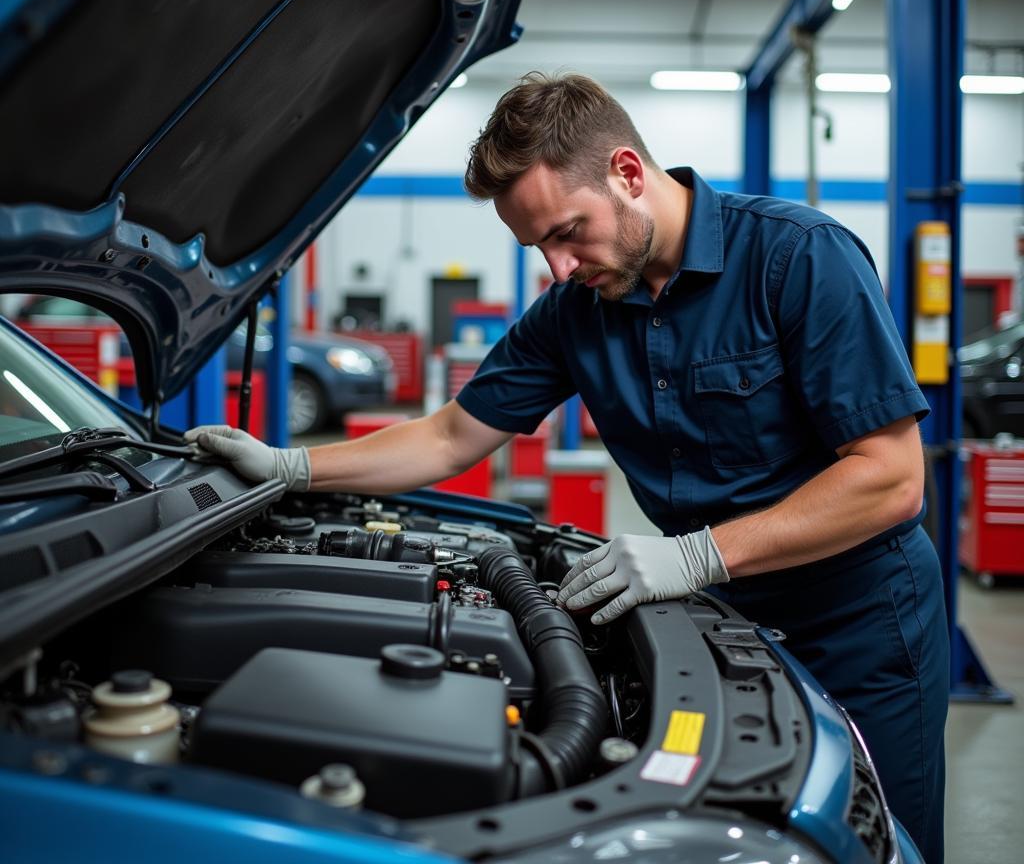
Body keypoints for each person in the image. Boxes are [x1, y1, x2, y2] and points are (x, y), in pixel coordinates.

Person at [187, 72, 948, 862]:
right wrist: (292, 467)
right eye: (538, 246)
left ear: (626, 173)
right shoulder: (573, 313)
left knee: (876, 843)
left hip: (861, 626)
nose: (556, 267)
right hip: (726, 617)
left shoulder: (798, 258)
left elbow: (891, 478)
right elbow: (450, 436)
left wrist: (698, 553)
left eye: (567, 232)